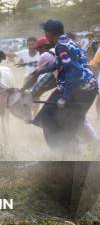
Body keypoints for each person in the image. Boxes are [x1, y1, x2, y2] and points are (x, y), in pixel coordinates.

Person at [27, 20, 98, 149]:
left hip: (80, 90)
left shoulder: (61, 46)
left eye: (46, 32)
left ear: (50, 34)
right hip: (88, 88)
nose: (45, 35)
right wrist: (41, 70)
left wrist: (65, 97)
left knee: (52, 120)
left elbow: (73, 72)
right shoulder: (67, 41)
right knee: (57, 120)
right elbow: (61, 63)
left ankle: (61, 153)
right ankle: (65, 152)